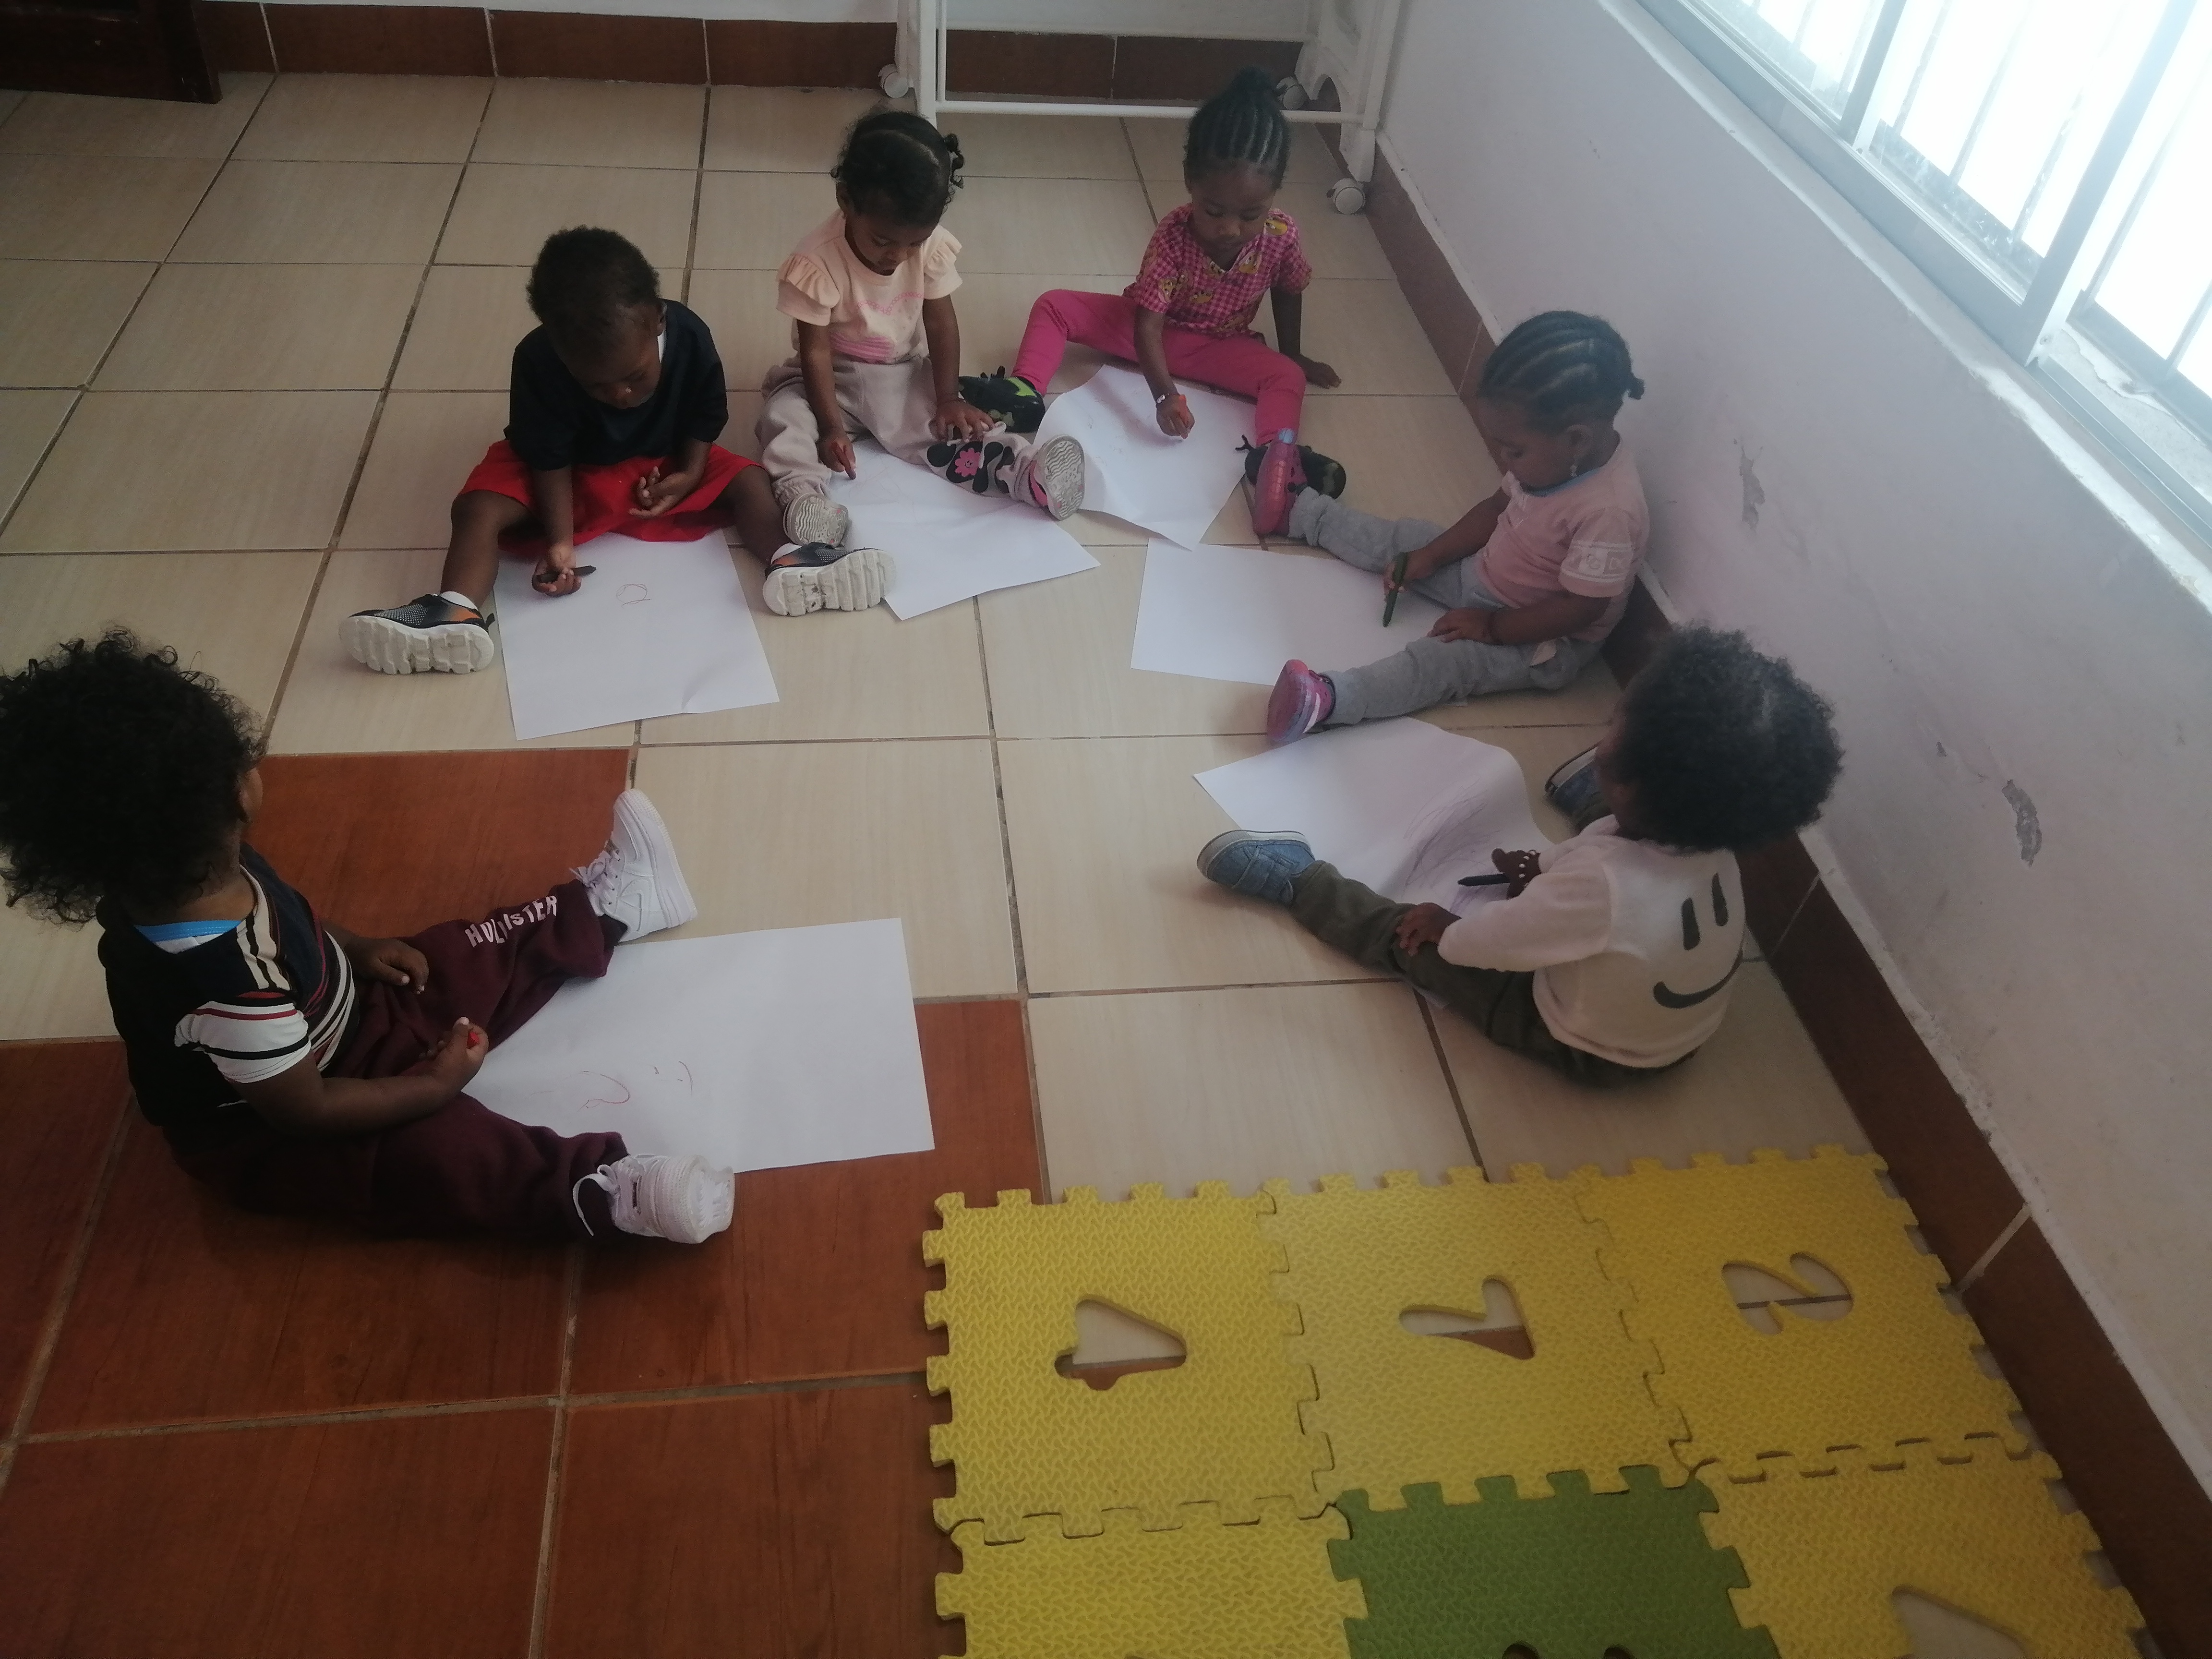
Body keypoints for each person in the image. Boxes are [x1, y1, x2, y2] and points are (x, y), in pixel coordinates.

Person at [0, 631, 733, 1243]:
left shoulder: (179, 869)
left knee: (457, 952)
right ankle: (600, 1193)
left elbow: (288, 917)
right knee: (438, 1158)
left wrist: (353, 947)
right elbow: (309, 1110)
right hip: (277, 1129)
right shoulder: (230, 988)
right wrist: (430, 1087)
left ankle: (610, 910)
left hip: (343, 1015)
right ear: (239, 791)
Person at [1198, 628, 1842, 1084]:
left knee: (1410, 940)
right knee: (1611, 843)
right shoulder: (1718, 842)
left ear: (1631, 777)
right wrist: (1544, 873)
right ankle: (1588, 800)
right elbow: (1604, 890)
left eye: (1615, 725)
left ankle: (1304, 884)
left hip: (1587, 1047)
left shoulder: (1601, 887)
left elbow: (1499, 944)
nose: (1606, 727)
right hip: (1672, 1037)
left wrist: (1448, 927)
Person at [341, 227, 802, 671]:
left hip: (661, 466)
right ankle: (454, 611)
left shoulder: (690, 333)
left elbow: (706, 412)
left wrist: (690, 472)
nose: (621, 395)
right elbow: (547, 454)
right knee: (477, 508)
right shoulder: (537, 359)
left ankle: (790, 561)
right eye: (596, 386)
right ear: (559, 350)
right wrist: (559, 543)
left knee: (750, 481)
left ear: (657, 319)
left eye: (635, 376)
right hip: (566, 477)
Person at [963, 66, 1344, 536]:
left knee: (1287, 376)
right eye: (1214, 211)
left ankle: (1275, 459)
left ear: (1274, 194)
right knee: (1054, 305)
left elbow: (1289, 289)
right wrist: (1164, 396)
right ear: (1190, 183)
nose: (1230, 229)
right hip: (1150, 331)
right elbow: (1146, 325)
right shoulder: (1173, 234)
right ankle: (1024, 391)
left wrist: (1294, 354)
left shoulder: (1282, 234)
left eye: (1251, 214)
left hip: (1221, 346)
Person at [1265, 311, 1647, 743]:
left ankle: (1329, 700)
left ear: (1576, 440)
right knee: (1409, 540)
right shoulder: (1550, 461)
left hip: (1541, 638)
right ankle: (1297, 512)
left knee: (1442, 664)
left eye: (1514, 450)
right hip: (1485, 573)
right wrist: (1432, 556)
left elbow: (1581, 609)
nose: (1504, 459)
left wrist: (1492, 627)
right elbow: (1496, 508)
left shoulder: (1611, 511)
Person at [756, 108, 1085, 561]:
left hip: (900, 375)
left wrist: (947, 397)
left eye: (913, 242)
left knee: (949, 429)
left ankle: (1028, 473)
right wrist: (830, 427)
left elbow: (941, 322)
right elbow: (814, 353)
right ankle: (806, 501)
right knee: (783, 417)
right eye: (883, 241)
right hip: (826, 379)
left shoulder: (929, 247)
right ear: (846, 200)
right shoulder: (816, 261)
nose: (898, 255)